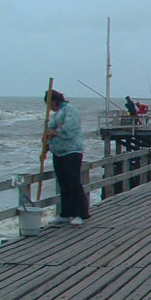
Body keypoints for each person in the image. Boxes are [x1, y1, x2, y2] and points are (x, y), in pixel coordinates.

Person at [43, 90, 90, 226]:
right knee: (63, 183)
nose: (48, 107)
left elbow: (70, 128)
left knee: (73, 182)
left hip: (71, 151)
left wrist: (54, 133)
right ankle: (66, 213)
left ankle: (81, 213)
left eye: (48, 103)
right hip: (58, 152)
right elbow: (49, 130)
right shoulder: (55, 114)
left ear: (54, 100)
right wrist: (46, 144)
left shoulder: (70, 110)